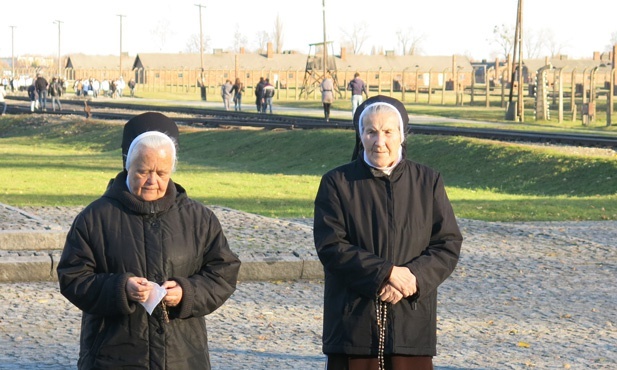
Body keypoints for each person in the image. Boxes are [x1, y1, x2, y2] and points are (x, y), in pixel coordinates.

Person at [57, 112, 241, 370]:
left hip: (182, 357)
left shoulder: (199, 219)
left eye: (161, 173)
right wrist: (122, 289)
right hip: (113, 357)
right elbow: (72, 276)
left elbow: (222, 273)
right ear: (127, 166)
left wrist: (186, 293)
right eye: (143, 171)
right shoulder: (95, 218)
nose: (153, 181)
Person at [313, 95, 463, 370]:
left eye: (387, 132)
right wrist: (386, 273)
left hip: (411, 322)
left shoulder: (427, 182)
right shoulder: (337, 183)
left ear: (401, 136)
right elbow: (331, 245)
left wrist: (413, 278)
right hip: (352, 324)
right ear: (361, 136)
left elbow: (447, 243)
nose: (379, 141)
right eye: (370, 132)